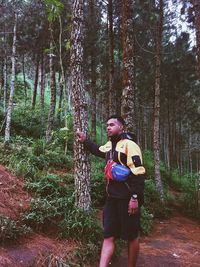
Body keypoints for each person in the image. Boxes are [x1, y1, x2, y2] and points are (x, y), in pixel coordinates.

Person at [77, 115, 145, 267]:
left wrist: (134, 198)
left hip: (128, 198)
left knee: (132, 236)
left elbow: (139, 172)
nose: (108, 127)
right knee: (108, 235)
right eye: (107, 125)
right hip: (112, 198)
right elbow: (97, 150)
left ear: (121, 127)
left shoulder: (129, 145)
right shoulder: (109, 145)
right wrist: (85, 140)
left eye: (112, 124)